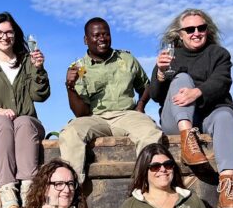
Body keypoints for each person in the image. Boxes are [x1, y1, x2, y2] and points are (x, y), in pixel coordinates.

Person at [150, 9, 233, 208]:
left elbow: (221, 82)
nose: (196, 33)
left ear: (207, 30)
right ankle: (187, 142)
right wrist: (160, 74)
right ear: (180, 34)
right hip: (177, 120)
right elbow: (155, 95)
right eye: (190, 29)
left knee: (226, 116)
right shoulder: (171, 56)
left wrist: (197, 93)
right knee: (181, 78)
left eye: (201, 28)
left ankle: (227, 188)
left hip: (210, 115)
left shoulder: (218, 54)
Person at [59, 17, 162, 183]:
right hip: (95, 118)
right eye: (96, 35)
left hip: (127, 115)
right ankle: (72, 187)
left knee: (150, 132)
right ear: (86, 40)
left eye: (106, 34)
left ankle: (146, 185)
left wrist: (141, 105)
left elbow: (146, 86)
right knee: (70, 132)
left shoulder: (127, 59)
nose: (102, 38)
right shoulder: (78, 68)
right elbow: (81, 113)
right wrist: (70, 86)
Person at [0, 12, 50, 208]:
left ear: (15, 35)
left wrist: (39, 69)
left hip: (24, 126)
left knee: (23, 122)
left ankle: (28, 188)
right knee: (3, 123)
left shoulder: (28, 63)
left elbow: (40, 96)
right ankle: (7, 189)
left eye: (9, 32)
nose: (4, 37)